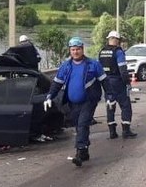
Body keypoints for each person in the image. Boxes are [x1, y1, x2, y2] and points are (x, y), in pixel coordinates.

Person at [45, 37, 110, 167]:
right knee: (78, 126)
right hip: (72, 103)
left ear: (82, 49)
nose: (76, 52)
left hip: (89, 101)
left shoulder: (93, 64)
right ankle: (85, 151)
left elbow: (105, 81)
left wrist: (110, 97)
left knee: (82, 124)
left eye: (78, 49)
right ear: (70, 51)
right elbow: (57, 83)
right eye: (73, 49)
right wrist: (49, 97)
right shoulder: (66, 66)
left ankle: (79, 153)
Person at [98, 30, 137, 139]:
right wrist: (127, 83)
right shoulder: (118, 52)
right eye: (119, 40)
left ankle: (112, 132)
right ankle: (126, 130)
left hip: (106, 82)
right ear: (117, 40)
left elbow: (99, 68)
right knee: (125, 106)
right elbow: (123, 70)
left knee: (110, 105)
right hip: (117, 82)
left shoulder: (102, 51)